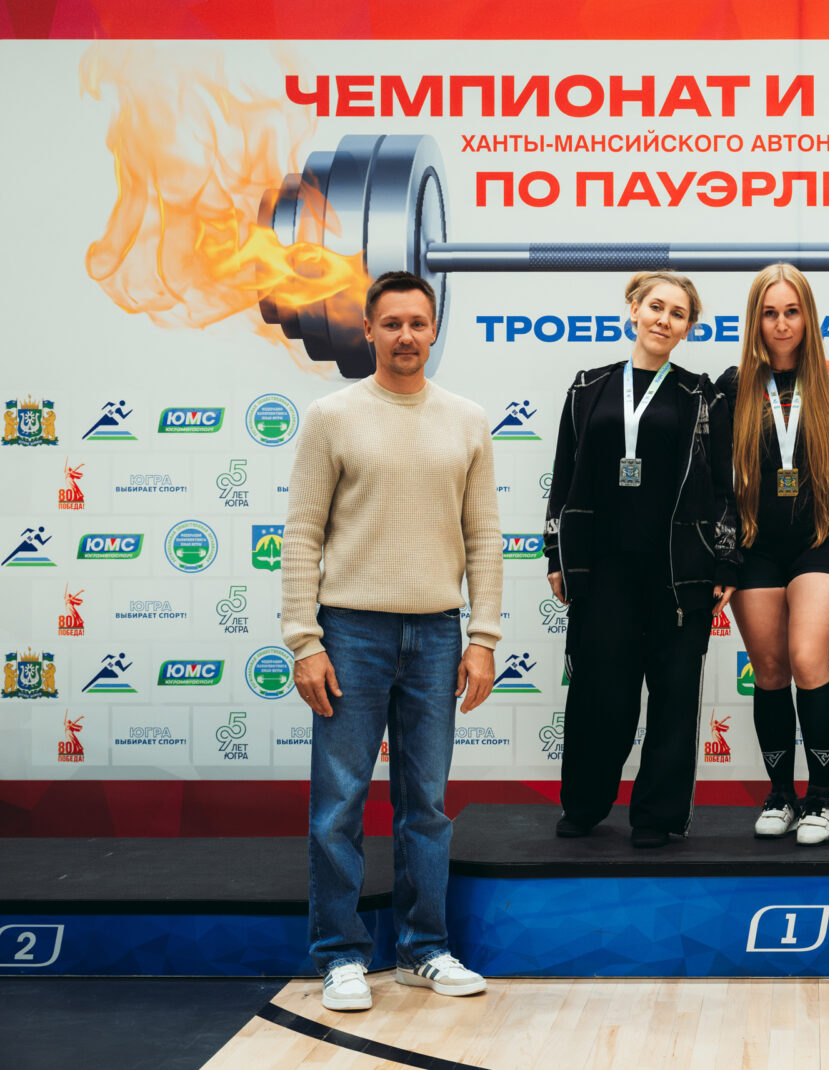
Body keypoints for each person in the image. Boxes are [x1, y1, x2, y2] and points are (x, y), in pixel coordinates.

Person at [282, 270, 501, 1012]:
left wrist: (483, 637)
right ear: (368, 330)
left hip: (438, 633)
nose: (406, 335)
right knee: (339, 805)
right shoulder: (332, 416)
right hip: (350, 632)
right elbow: (301, 534)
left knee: (426, 806)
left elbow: (484, 538)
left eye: (417, 323)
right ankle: (340, 956)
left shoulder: (467, 419)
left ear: (434, 330)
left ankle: (423, 950)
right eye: (392, 323)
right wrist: (304, 641)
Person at [545, 270, 738, 849]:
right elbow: (563, 476)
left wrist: (725, 562)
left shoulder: (701, 395)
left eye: (678, 314)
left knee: (675, 695)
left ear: (688, 328)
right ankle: (584, 804)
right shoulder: (589, 387)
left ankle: (656, 815)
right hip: (604, 569)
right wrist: (556, 553)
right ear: (633, 309)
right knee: (599, 691)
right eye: (656, 307)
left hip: (680, 571)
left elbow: (724, 487)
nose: (664, 320)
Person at [715, 265, 829, 845]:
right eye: (770, 313)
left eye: (792, 312)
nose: (781, 324)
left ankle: (822, 797)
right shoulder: (733, 385)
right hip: (754, 543)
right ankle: (780, 794)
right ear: (756, 319)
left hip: (819, 537)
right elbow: (718, 476)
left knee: (807, 660)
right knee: (771, 672)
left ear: (808, 317)